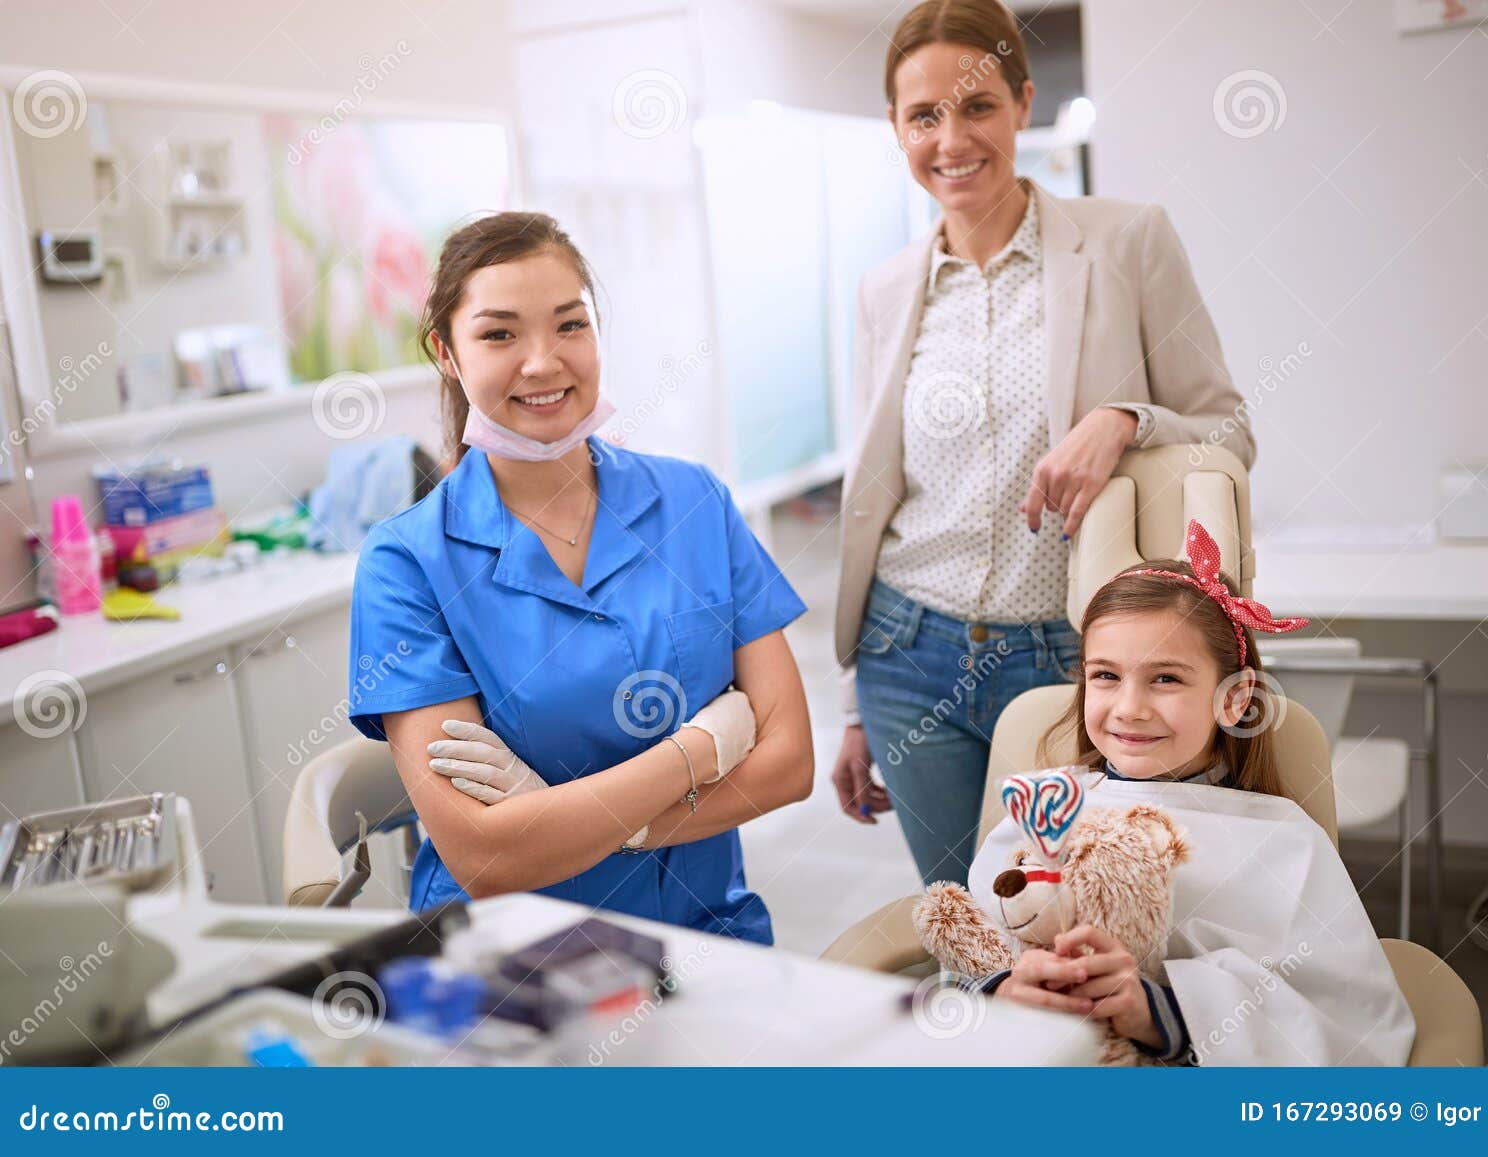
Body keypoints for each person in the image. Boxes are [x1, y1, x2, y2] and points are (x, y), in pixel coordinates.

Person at [832, 0, 1258, 890]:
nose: (952, 138)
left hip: (1077, 660)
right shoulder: (883, 290)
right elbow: (875, 500)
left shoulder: (1126, 242)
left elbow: (1228, 430)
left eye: (978, 106)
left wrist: (1125, 421)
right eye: (924, 115)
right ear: (895, 127)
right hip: (906, 653)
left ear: (1023, 103)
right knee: (966, 920)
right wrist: (853, 707)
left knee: (1092, 918)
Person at [347, 211, 812, 944]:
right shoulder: (406, 563)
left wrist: (577, 823)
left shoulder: (694, 502)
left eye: (570, 325)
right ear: (446, 351)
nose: (543, 362)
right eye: (499, 334)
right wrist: (702, 747)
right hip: (514, 961)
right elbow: (487, 857)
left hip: (709, 935)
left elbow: (789, 762)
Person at [967, 521, 1415, 1065]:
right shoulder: (1038, 816)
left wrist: (1160, 1011)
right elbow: (969, 956)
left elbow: (1348, 1020)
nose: (1129, 707)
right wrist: (1004, 993)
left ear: (1234, 697)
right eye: (1106, 675)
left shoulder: (1283, 843)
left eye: (1166, 679)